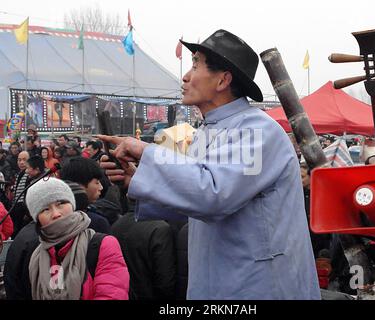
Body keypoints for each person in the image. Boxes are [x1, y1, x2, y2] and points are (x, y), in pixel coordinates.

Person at [99, 29, 320, 299]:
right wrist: (136, 180)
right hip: (219, 280)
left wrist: (146, 152)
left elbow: (214, 193)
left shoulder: (257, 131)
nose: (185, 76)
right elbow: (195, 202)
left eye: (195, 65)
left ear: (223, 80)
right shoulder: (207, 133)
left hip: (258, 285)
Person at [24, 177, 129, 300]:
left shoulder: (103, 245)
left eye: (61, 204)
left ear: (72, 204)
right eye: (45, 209)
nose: (56, 213)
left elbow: (112, 294)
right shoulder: (36, 255)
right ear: (37, 219)